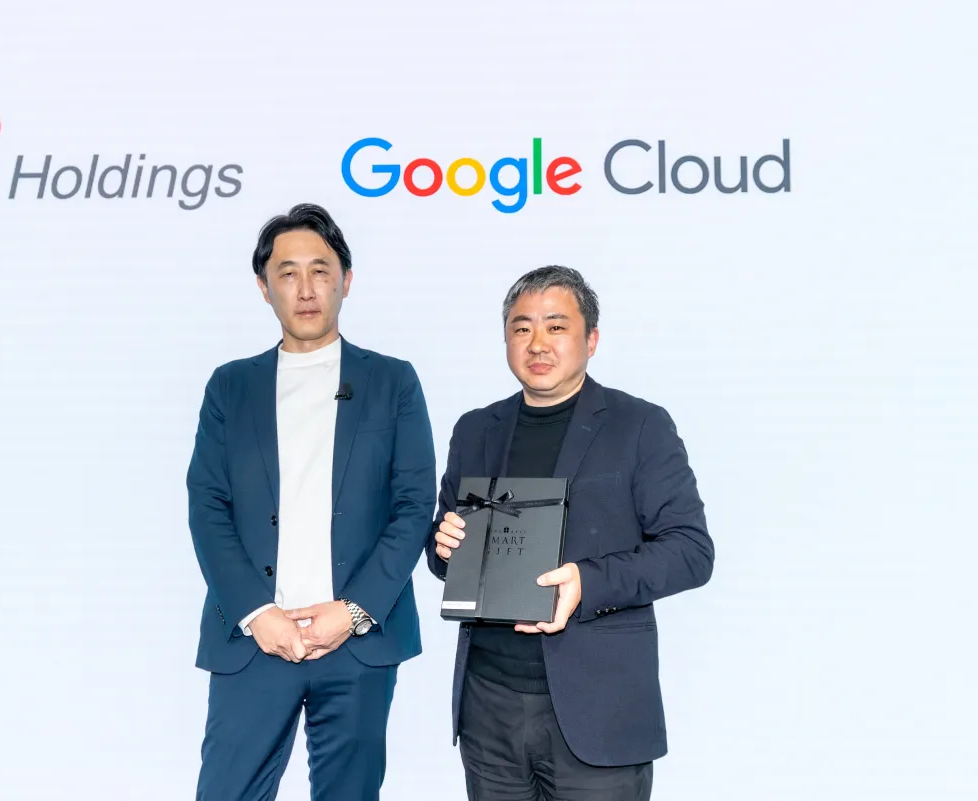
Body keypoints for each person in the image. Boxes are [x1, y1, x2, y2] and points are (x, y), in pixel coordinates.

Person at [426, 265, 714, 801]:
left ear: (591, 339)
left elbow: (691, 551)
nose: (537, 343)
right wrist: (443, 546)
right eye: (522, 327)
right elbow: (445, 549)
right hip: (489, 705)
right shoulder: (475, 429)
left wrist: (589, 581)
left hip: (599, 706)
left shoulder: (639, 426)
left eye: (556, 326)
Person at [187, 203, 437, 801]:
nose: (305, 289)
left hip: (356, 639)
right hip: (254, 638)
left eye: (320, 271)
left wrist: (353, 611)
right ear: (263, 287)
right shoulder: (230, 386)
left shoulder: (393, 381)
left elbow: (413, 505)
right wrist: (258, 613)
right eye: (288, 272)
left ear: (346, 281)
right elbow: (207, 506)